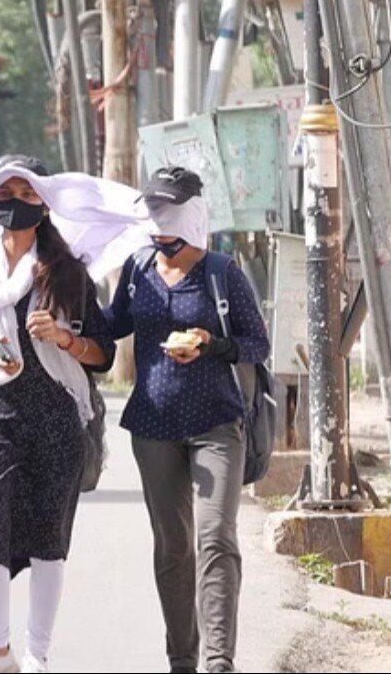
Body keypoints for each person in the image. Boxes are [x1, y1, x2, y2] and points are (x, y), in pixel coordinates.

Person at [0, 162, 143, 673]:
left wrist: (65, 339)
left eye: (22, 191)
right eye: (2, 192)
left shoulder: (67, 272)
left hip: (56, 411)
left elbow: (104, 356)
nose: (11, 200)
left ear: (44, 204)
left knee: (50, 535)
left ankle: (37, 654)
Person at [103, 166, 271, 674]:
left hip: (217, 425)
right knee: (172, 546)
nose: (162, 226)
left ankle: (219, 661)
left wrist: (211, 344)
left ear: (194, 214)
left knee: (215, 536)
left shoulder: (222, 272)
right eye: (155, 213)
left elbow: (258, 344)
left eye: (172, 213)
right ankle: (182, 659)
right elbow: (110, 327)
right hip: (153, 427)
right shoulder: (138, 270)